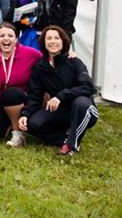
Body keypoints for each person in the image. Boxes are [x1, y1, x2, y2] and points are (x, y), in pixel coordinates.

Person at [19, 26, 98, 155]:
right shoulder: (40, 66)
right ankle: (66, 138)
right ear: (43, 42)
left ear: (63, 42)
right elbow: (34, 95)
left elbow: (88, 87)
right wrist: (25, 115)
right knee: (32, 124)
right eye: (49, 38)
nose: (53, 41)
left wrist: (61, 96)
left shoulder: (74, 61)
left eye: (56, 38)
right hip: (60, 110)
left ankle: (72, 146)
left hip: (84, 109)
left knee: (80, 103)